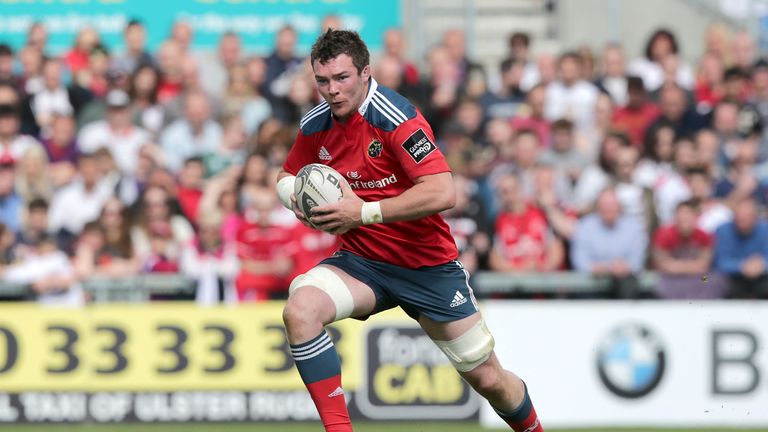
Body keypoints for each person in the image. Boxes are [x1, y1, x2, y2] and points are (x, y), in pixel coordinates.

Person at [275, 30, 543, 432]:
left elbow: (442, 190)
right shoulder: (315, 124)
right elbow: (287, 174)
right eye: (323, 81)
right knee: (300, 310)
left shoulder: (396, 117)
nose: (332, 90)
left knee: (489, 378)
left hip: (426, 266)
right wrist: (294, 197)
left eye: (342, 78)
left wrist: (362, 213)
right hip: (361, 264)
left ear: (366, 72)